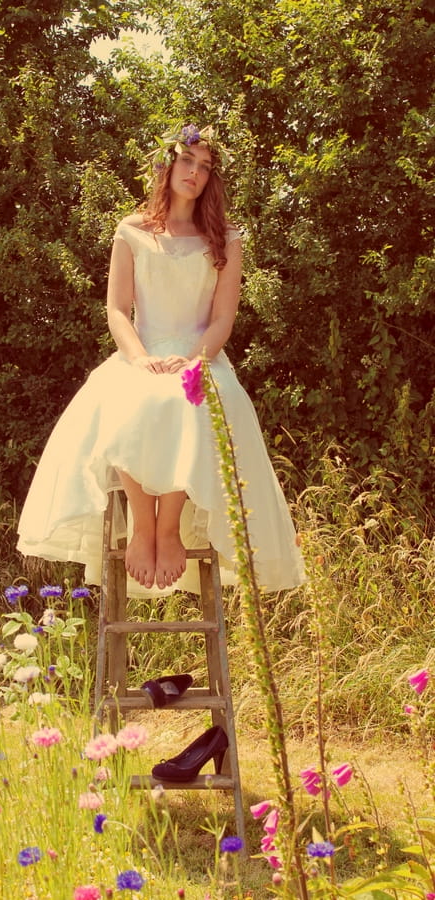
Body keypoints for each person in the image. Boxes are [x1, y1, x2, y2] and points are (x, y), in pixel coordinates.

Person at [17, 124, 305, 596]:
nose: (194, 173)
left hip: (201, 355)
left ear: (212, 178)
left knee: (187, 400)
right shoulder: (131, 230)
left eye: (205, 167)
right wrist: (140, 359)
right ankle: (141, 524)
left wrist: (192, 361)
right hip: (142, 354)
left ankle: (167, 526)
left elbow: (222, 321)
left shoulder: (225, 239)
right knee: (130, 400)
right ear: (168, 165)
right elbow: (116, 310)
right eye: (187, 161)